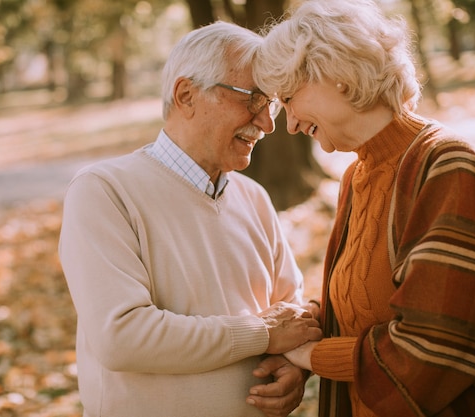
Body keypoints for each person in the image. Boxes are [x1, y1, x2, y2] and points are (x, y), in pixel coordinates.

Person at [252, 0, 475, 416]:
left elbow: (436, 349)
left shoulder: (445, 167)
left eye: (288, 98)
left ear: (335, 74)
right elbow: (363, 301)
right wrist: (306, 325)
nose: (289, 124)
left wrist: (312, 355)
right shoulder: (356, 178)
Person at [58, 20, 323, 417]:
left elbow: (292, 313)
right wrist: (262, 335)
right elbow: (122, 337)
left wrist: (293, 367)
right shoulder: (104, 191)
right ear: (186, 95)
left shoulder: (254, 197)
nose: (268, 124)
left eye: (270, 104)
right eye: (252, 99)